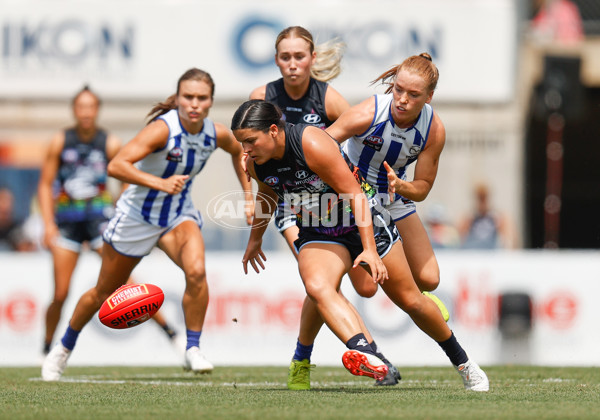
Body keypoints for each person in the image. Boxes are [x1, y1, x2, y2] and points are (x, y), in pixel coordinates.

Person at [233, 99, 489, 392]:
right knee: (317, 287)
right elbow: (268, 194)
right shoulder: (255, 164)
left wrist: (369, 249)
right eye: (241, 143)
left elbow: (356, 196)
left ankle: (465, 364)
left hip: (363, 219)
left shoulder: (311, 144)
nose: (245, 150)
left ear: (275, 131)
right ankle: (367, 354)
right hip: (320, 229)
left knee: (411, 301)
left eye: (250, 141)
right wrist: (255, 240)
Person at [41, 69, 253, 381]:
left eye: (201, 98)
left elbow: (240, 151)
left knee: (196, 271)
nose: (194, 103)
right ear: (178, 99)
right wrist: (159, 182)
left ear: (210, 101)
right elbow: (117, 166)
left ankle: (192, 348)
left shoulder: (216, 133)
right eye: (188, 97)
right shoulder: (161, 131)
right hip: (136, 219)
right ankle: (63, 348)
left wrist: (248, 196)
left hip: (177, 215)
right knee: (103, 292)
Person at [249, 26, 399, 388]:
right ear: (276, 61)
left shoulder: (327, 98)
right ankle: (357, 357)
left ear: (312, 59)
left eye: (299, 57)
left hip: (332, 202)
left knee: (362, 288)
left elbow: (361, 139)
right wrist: (247, 196)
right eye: (285, 57)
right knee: (318, 282)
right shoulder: (262, 97)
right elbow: (248, 149)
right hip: (290, 202)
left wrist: (378, 177)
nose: (292, 64)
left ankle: (411, 308)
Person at [293, 53, 453, 388]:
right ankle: (302, 358)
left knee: (430, 278)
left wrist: (402, 186)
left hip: (395, 198)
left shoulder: (433, 129)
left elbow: (423, 188)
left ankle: (420, 301)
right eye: (398, 90)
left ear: (429, 98)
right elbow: (325, 141)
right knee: (358, 288)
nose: (402, 100)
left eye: (412, 95)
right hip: (352, 201)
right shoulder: (371, 111)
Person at [37, 86, 180, 356]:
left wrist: (118, 209)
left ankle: (170, 333)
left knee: (126, 283)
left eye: (91, 107)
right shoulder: (60, 141)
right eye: (81, 107)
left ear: (97, 110)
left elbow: (126, 177)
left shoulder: (109, 142)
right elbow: (45, 185)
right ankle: (46, 348)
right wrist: (47, 224)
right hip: (67, 223)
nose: (86, 112)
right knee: (60, 293)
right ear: (75, 110)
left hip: (100, 222)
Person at [459, 183, 515, 249]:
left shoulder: (497, 217)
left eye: (484, 198)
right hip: (473, 252)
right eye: (480, 198)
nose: (482, 202)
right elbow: (459, 237)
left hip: (490, 254)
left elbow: (509, 237)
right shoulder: (469, 217)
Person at [0, 186, 35, 251]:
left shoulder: (16, 229)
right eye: (2, 200)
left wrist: (25, 246)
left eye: (8, 201)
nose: (6, 206)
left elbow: (26, 247)